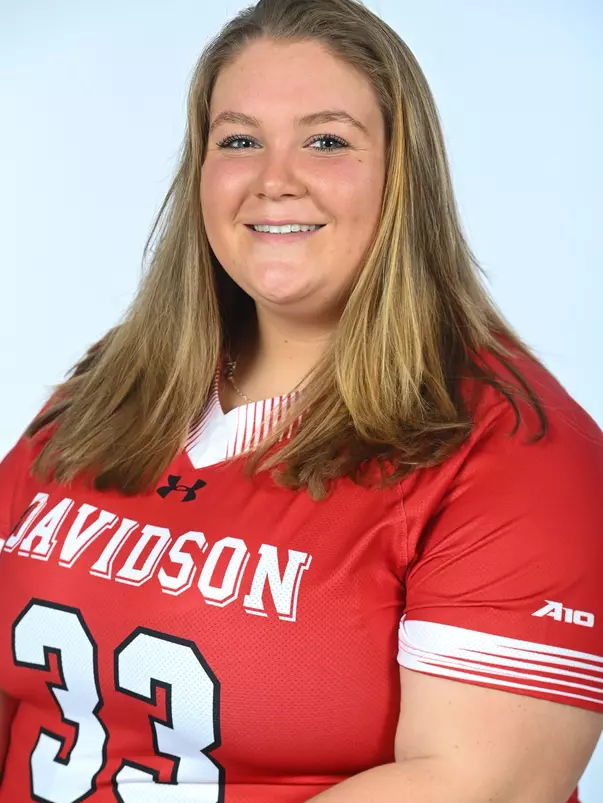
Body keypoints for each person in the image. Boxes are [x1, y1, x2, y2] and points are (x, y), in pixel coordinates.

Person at [1, 0, 602, 800]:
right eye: (238, 140)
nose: (273, 179)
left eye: (327, 141)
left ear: (402, 175)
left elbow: (478, 781)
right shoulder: (117, 384)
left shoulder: (519, 450)